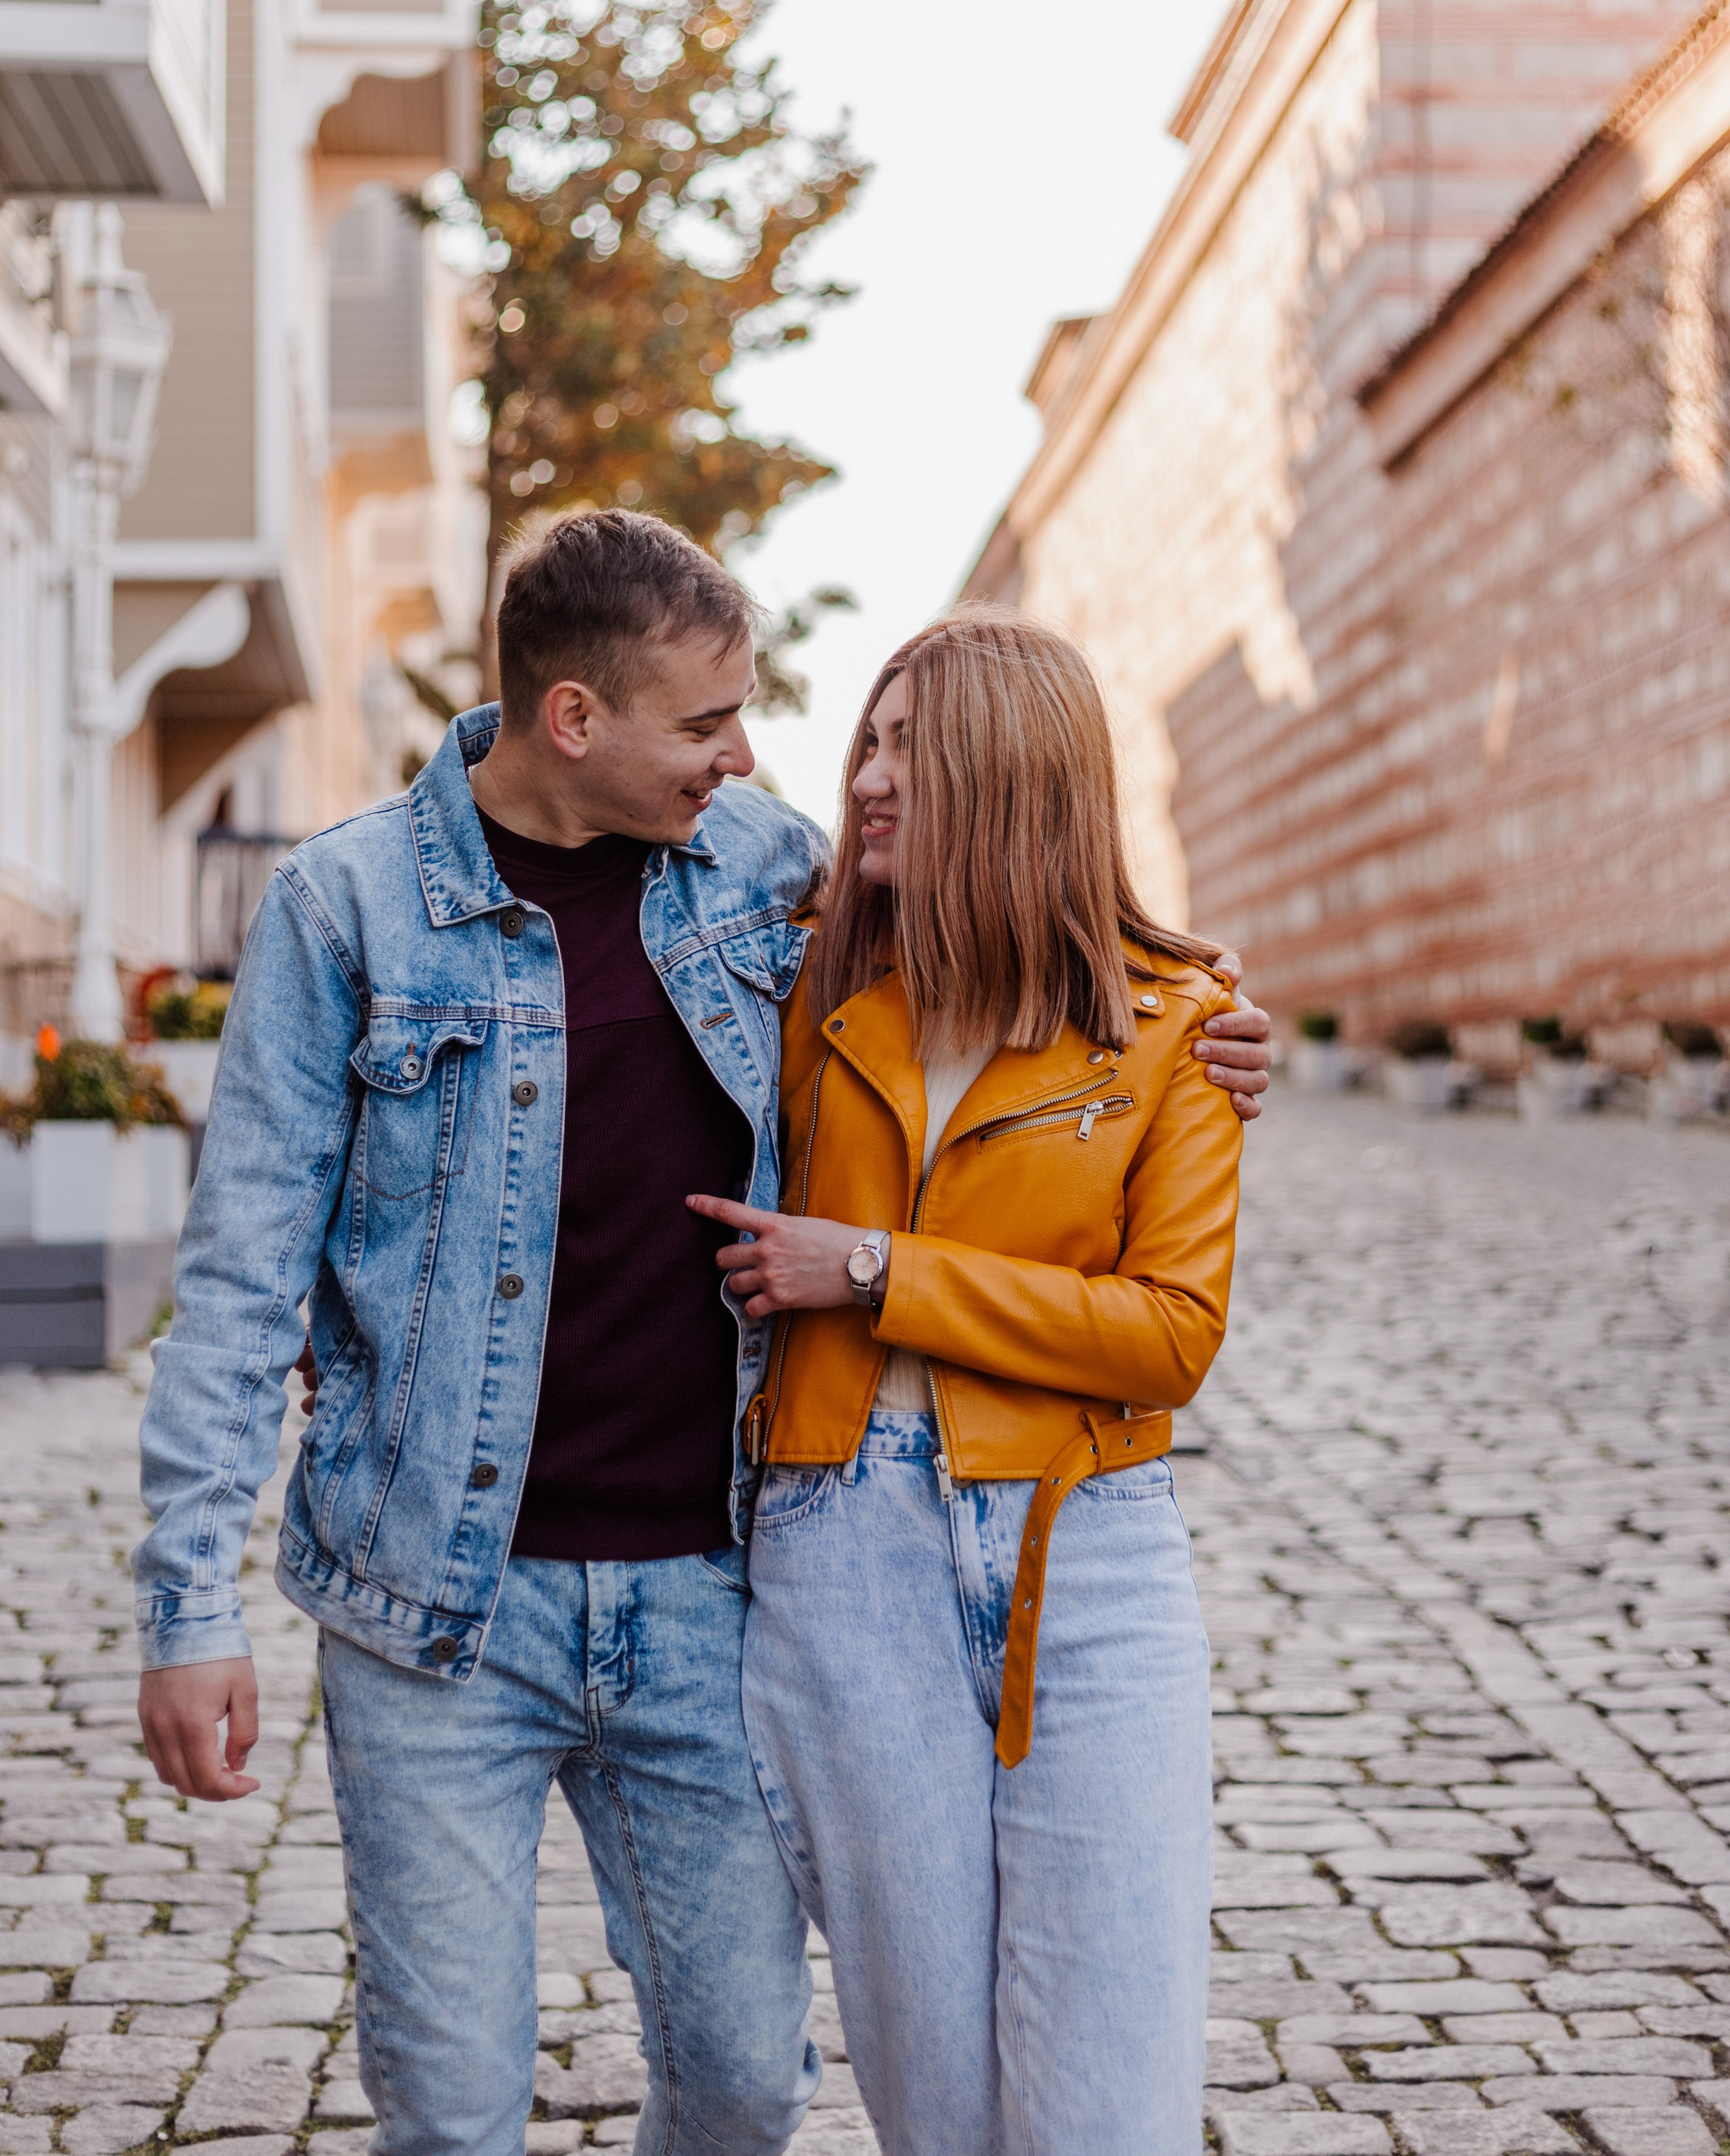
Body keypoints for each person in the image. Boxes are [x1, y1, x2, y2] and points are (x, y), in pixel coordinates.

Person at [133, 511, 1272, 2156]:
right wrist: (186, 1607)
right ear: (574, 719)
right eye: (708, 722)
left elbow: (1015, 900)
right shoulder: (346, 910)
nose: (750, 757)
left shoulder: (761, 876)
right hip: (432, 1603)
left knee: (746, 2082)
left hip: (705, 1592)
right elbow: (238, 1277)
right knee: (452, 2112)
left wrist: (1205, 1018)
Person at [691, 608, 1239, 2156]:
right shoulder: (798, 1001)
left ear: (1018, 777)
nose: (868, 775)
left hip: (1089, 1553)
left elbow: (1167, 1334)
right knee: (933, 2099)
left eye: (915, 748)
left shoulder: (1178, 1034)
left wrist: (873, 1273)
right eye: (871, 736)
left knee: (1106, 2101)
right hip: (838, 1556)